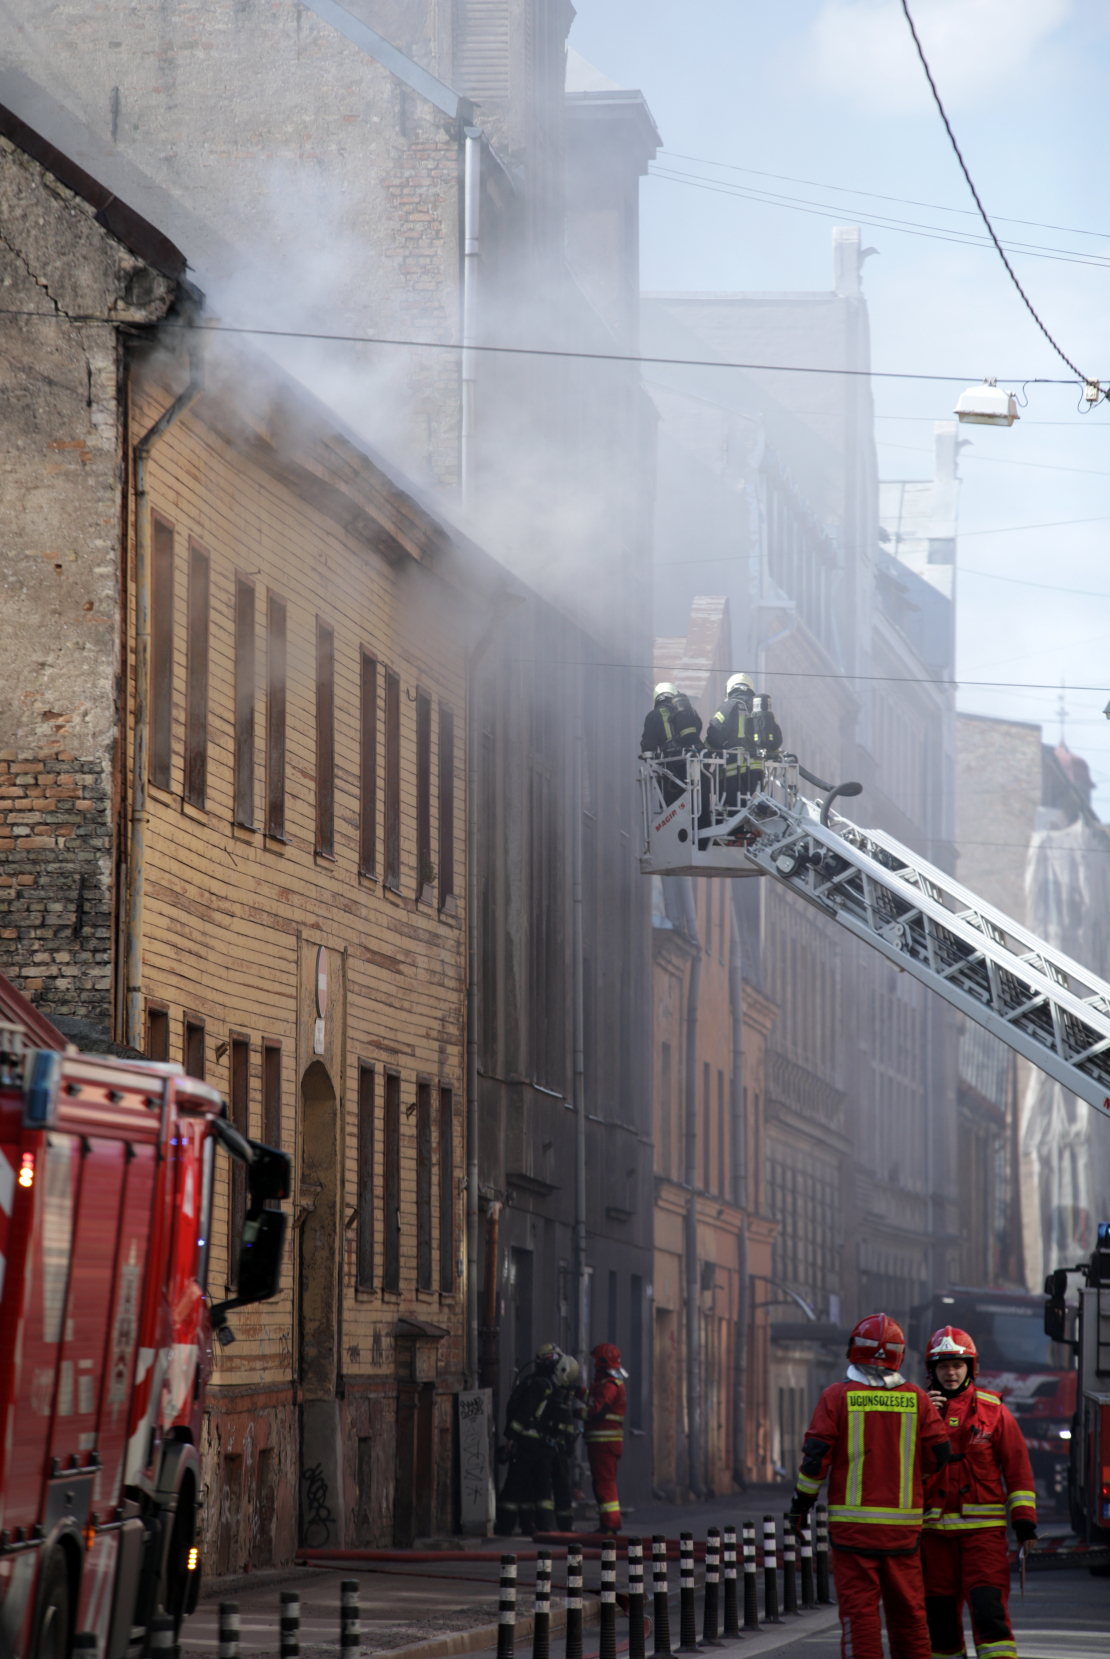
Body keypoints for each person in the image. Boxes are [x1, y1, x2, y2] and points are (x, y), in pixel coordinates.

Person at [788, 1313, 952, 1659]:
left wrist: (801, 1506)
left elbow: (815, 1459)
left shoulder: (837, 1397)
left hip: (853, 1536)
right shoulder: (918, 1400)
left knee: (859, 1621)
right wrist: (913, 1480)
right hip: (903, 1535)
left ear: (854, 1350)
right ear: (899, 1354)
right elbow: (939, 1455)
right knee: (910, 1620)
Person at [920, 1326, 1037, 1659]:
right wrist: (922, 1421)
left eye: (958, 1365)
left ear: (971, 1367)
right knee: (939, 1624)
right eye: (943, 1365)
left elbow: (1017, 1469)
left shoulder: (995, 1412)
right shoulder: (916, 1413)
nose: (951, 1372)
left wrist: (1024, 1522)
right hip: (934, 1537)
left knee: (990, 1614)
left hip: (983, 1537)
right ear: (932, 1370)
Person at [494, 1344, 560, 1536]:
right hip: (543, 1444)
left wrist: (511, 1439)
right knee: (540, 1485)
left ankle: (506, 1525)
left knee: (516, 1483)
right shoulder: (551, 1385)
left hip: (527, 1442)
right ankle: (539, 1525)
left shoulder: (534, 1383)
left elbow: (520, 1411)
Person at [585, 1342, 627, 1534]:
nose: (593, 1366)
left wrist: (577, 1412)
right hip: (605, 1443)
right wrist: (574, 1392)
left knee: (604, 1483)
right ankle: (607, 1524)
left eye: (596, 1362)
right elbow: (594, 1396)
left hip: (604, 1443)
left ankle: (610, 1525)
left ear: (602, 1362)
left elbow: (599, 1410)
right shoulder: (608, 1383)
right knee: (602, 1482)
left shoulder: (610, 1385)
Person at [640, 682, 703, 807]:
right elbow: (698, 729)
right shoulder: (690, 711)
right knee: (698, 799)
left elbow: (648, 745)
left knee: (672, 806)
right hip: (694, 762)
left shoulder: (653, 715)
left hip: (671, 767)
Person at [705, 672, 755, 810]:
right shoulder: (758, 708)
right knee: (749, 807)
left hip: (733, 768)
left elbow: (715, 734)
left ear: (730, 689)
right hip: (756, 770)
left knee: (731, 809)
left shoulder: (729, 705)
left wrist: (704, 754)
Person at [549, 1352, 585, 1531]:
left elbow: (566, 1421)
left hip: (555, 1444)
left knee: (558, 1485)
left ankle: (560, 1525)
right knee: (558, 1484)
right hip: (556, 1444)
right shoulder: (561, 1389)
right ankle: (562, 1525)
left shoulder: (559, 1390)